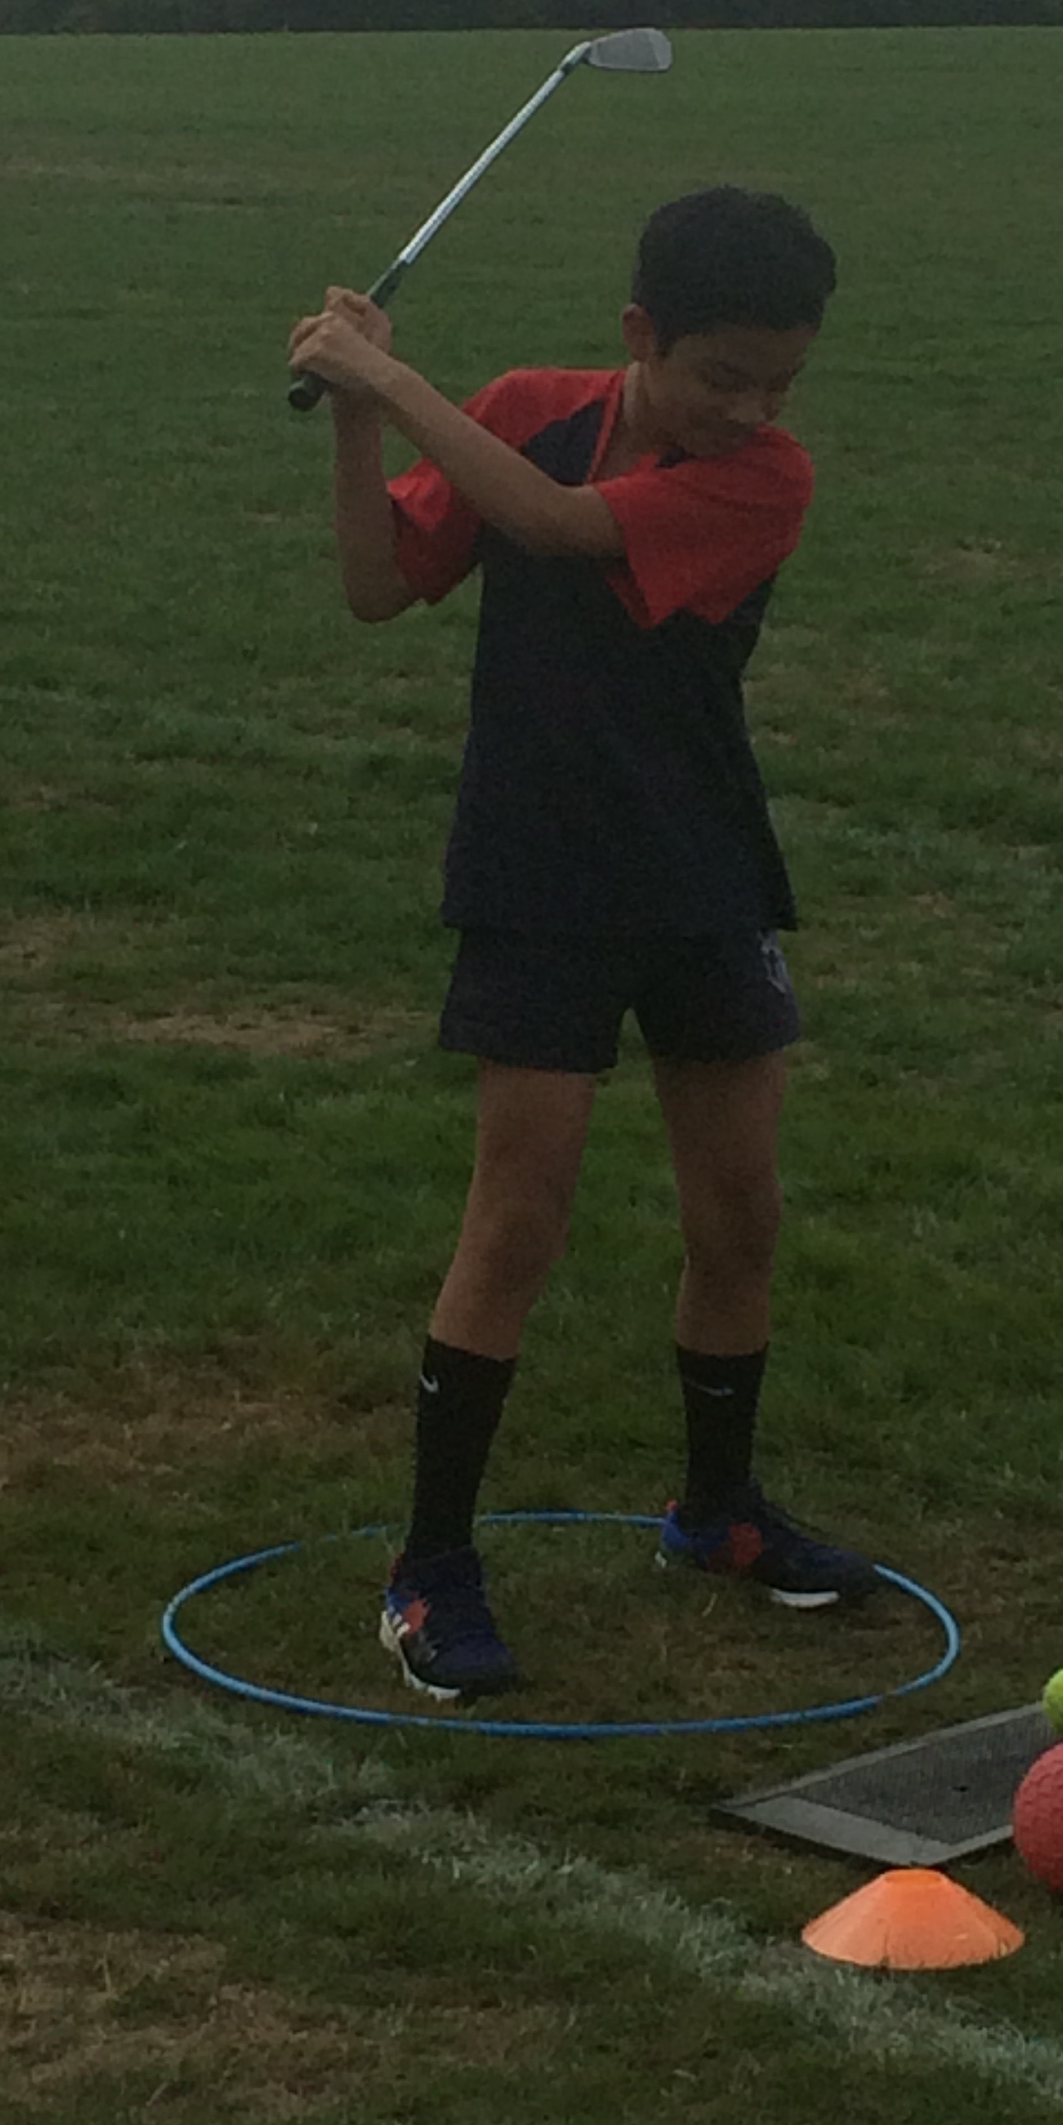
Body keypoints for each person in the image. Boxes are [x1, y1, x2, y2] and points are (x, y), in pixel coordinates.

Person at [285, 185, 879, 1701]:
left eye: (779, 382)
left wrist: (387, 378)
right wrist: (356, 420)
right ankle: (430, 1571)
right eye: (723, 377)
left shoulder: (765, 480)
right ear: (639, 334)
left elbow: (554, 526)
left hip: (702, 869)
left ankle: (717, 1510)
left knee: (741, 1213)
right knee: (518, 1221)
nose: (753, 411)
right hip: (538, 873)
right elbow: (376, 587)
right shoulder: (525, 412)